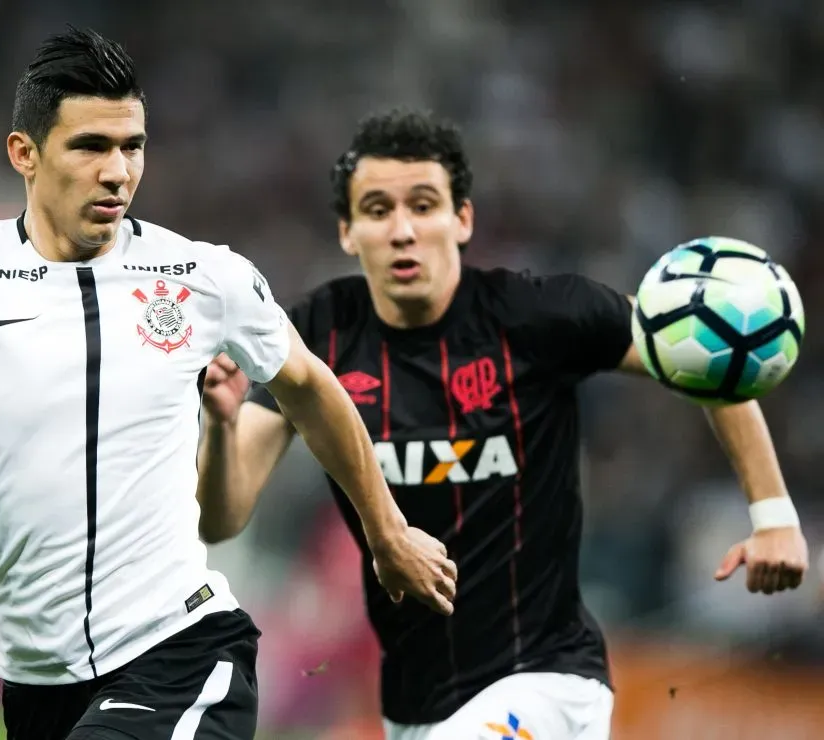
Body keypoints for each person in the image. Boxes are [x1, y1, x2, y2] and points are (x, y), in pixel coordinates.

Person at [0, 32, 458, 740]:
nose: (118, 171)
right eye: (90, 147)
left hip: (179, 650)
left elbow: (308, 385)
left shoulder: (203, 278)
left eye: (133, 145)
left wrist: (387, 533)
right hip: (36, 685)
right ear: (25, 153)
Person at [196, 108, 810, 740]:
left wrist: (773, 514)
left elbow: (699, 348)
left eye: (424, 205)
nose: (403, 230)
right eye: (378, 210)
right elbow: (223, 517)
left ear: (462, 219)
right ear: (349, 232)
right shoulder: (316, 334)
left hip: (547, 680)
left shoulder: (537, 313)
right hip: (413, 706)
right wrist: (220, 425)